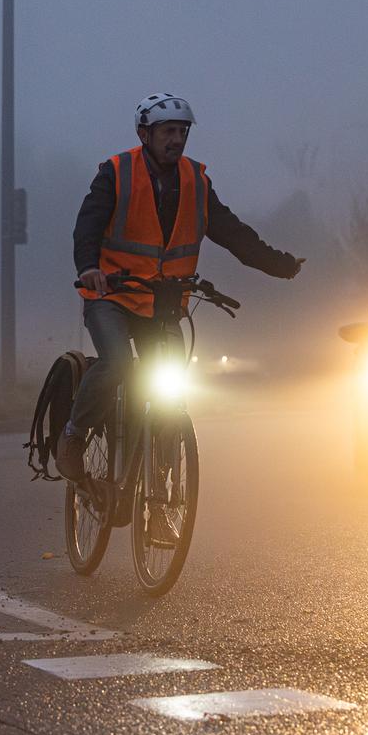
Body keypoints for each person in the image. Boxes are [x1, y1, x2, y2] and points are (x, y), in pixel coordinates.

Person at [56, 93, 304, 482]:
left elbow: (233, 233)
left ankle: (160, 477)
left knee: (170, 382)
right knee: (119, 363)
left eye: (182, 131)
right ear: (145, 134)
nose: (176, 139)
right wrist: (89, 267)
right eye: (168, 131)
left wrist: (280, 265)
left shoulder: (196, 182)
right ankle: (73, 436)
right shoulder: (116, 173)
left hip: (162, 303)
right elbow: (86, 227)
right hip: (111, 298)